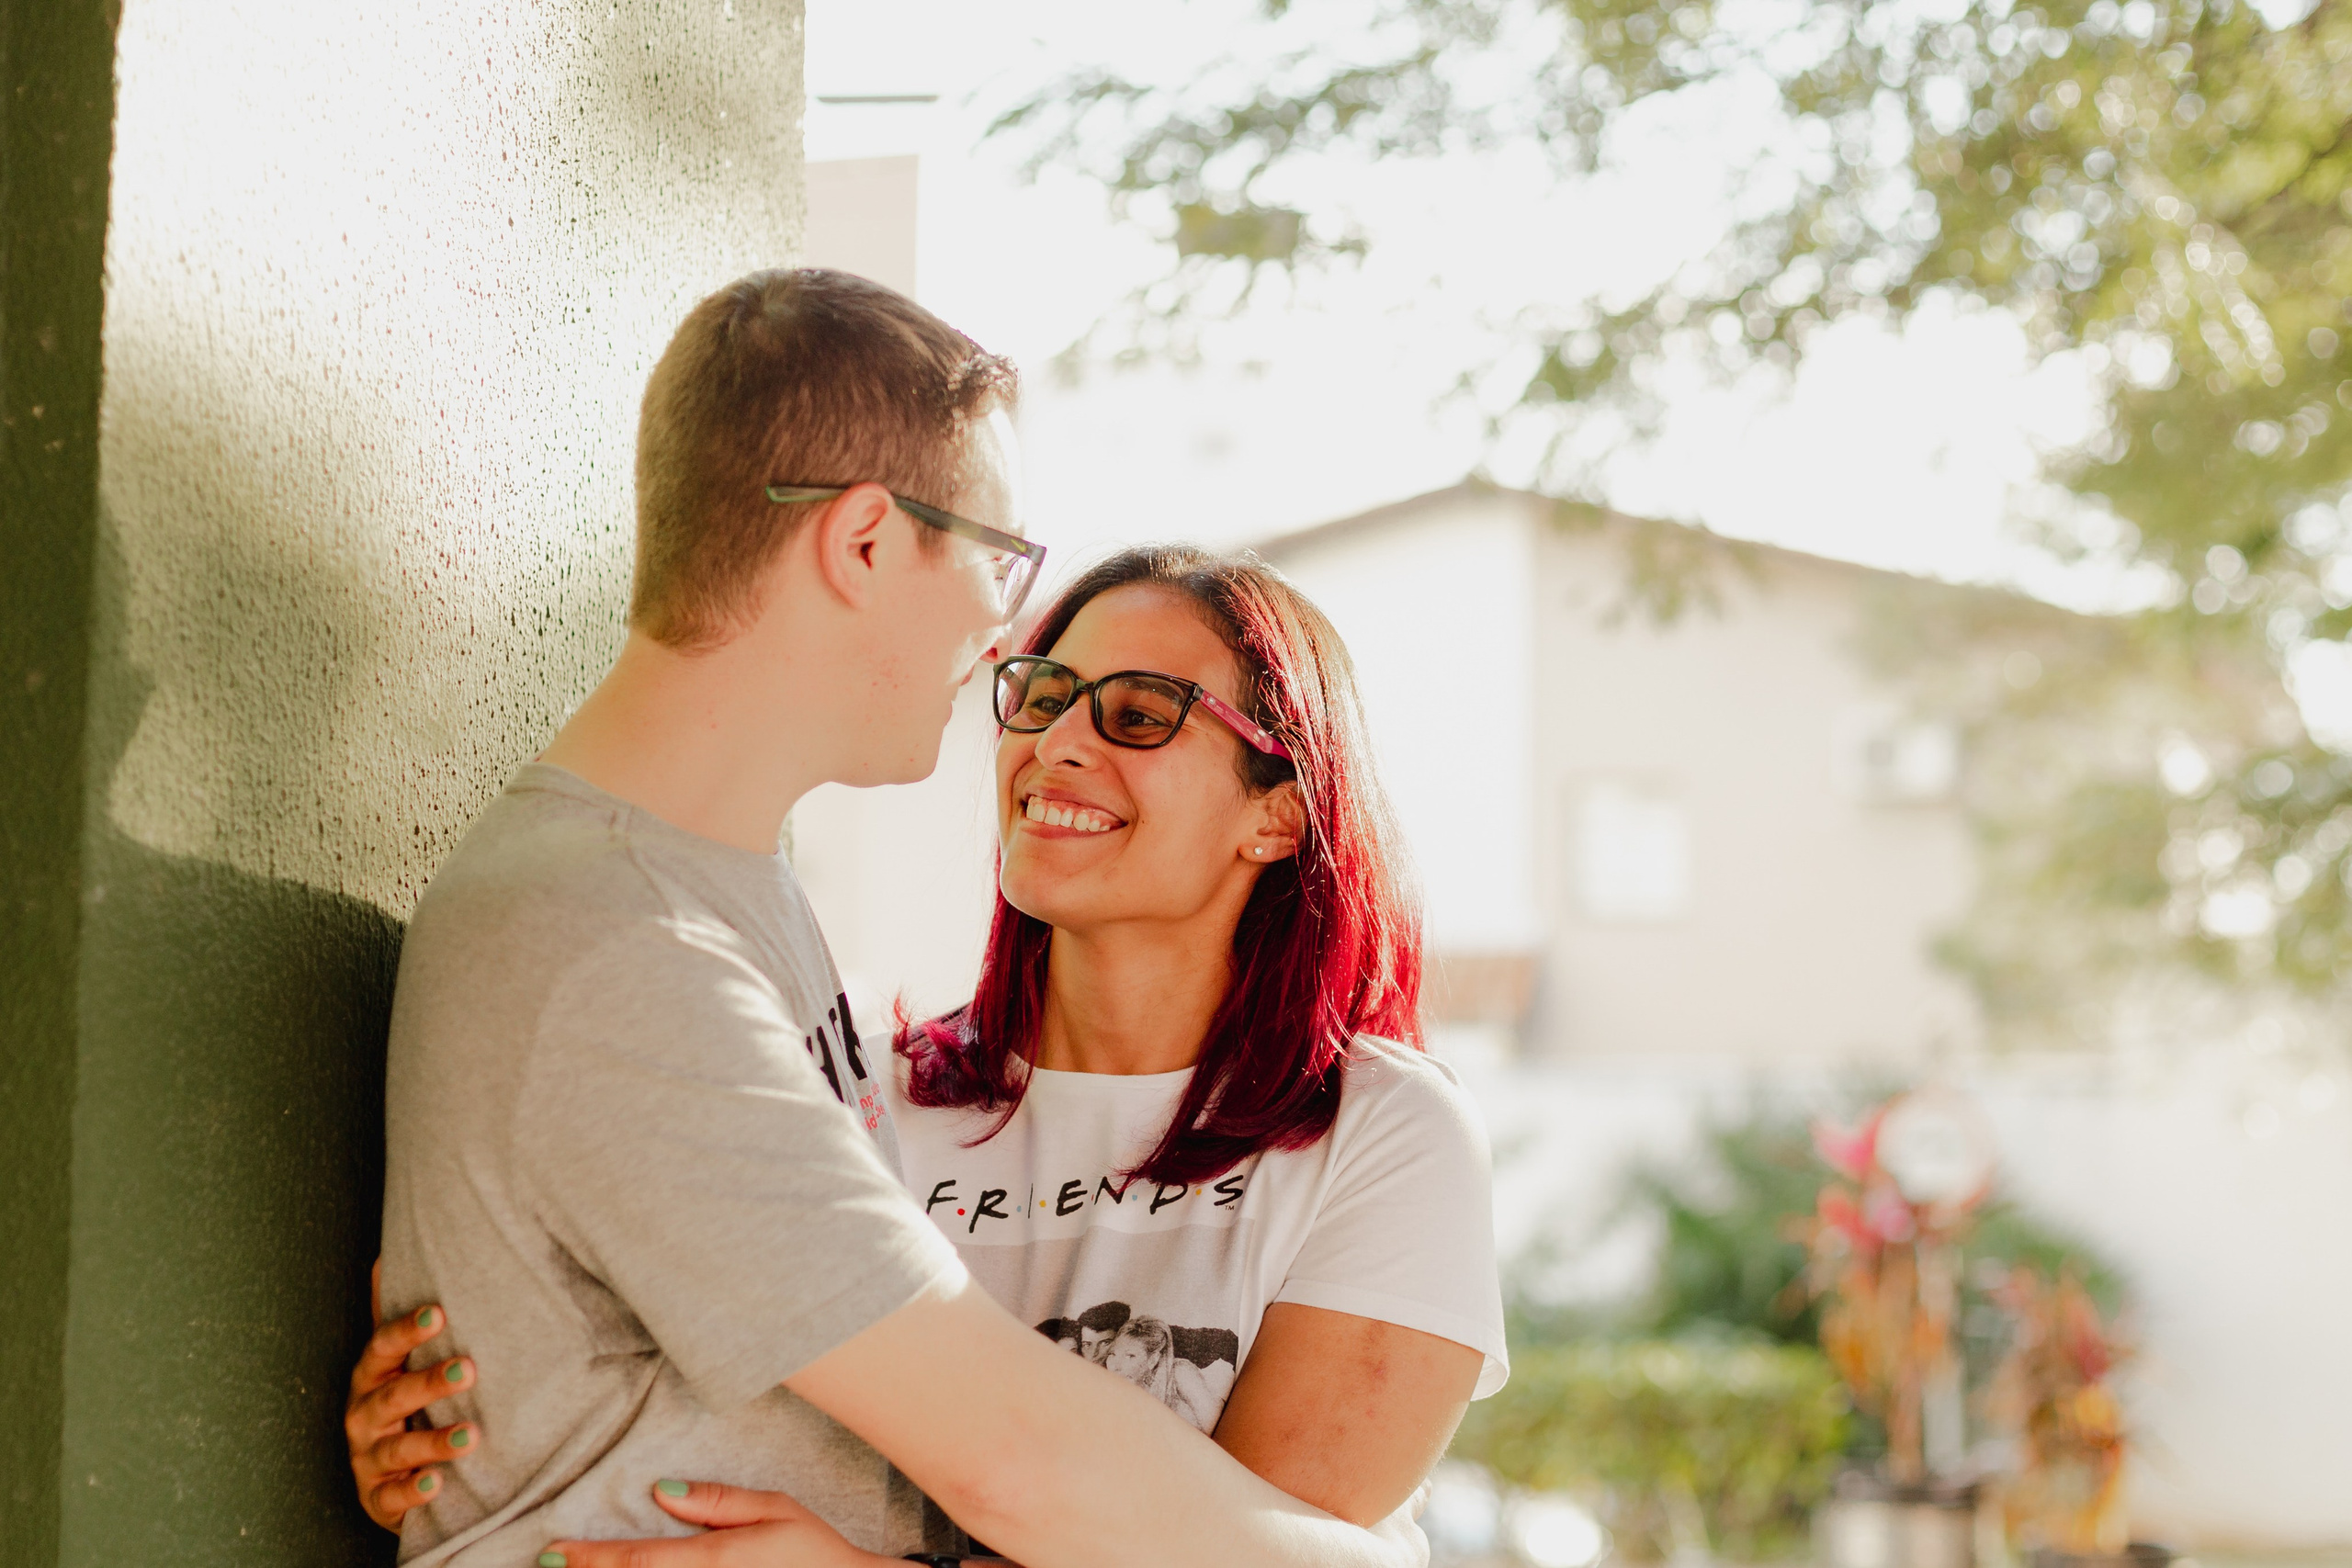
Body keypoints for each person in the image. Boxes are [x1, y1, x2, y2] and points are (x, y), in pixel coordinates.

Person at [362, 267, 1428, 1568]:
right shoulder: (622, 949)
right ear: (865, 542)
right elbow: (1016, 1460)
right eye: (999, 560)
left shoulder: (726, 895)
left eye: (1140, 715)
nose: (1005, 635)